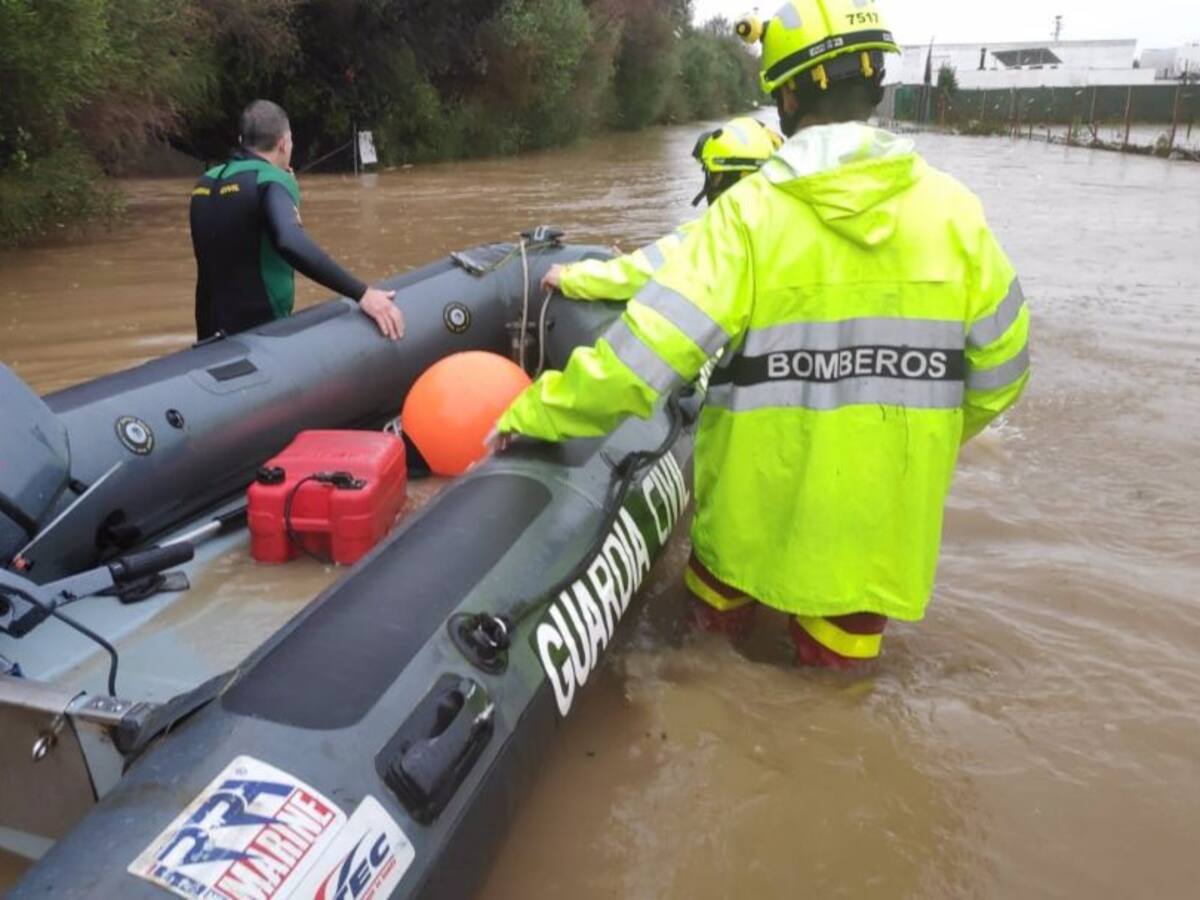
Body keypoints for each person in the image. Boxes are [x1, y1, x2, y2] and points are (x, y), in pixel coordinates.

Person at [496, 0, 1030, 669]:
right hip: (873, 534)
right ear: (877, 86)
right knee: (832, 715)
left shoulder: (749, 215)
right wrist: (912, 439)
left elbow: (642, 361)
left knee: (704, 672)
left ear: (787, 97)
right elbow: (1005, 373)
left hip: (748, 521)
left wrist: (537, 410)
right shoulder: (957, 216)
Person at [189, 100, 404, 341]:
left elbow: (238, 233)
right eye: (290, 141)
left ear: (242, 141)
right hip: (259, 339)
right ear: (282, 144)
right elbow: (290, 241)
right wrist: (362, 293)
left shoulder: (205, 183)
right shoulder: (271, 179)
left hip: (209, 341)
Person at [539, 117, 782, 301]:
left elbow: (641, 272)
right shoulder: (789, 227)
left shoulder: (716, 234)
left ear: (728, 178)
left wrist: (569, 277)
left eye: (713, 176)